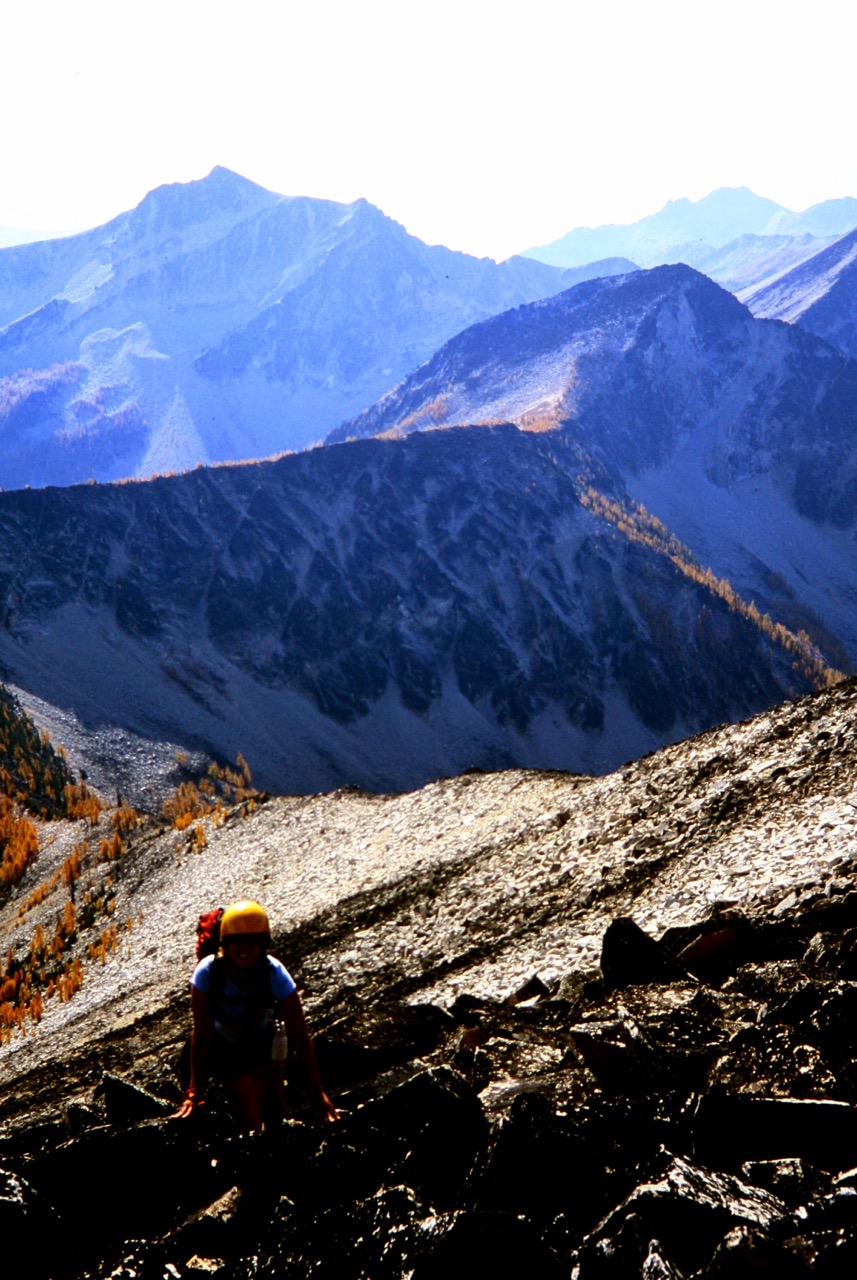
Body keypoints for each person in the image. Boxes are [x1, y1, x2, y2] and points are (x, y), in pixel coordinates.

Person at [173, 900, 337, 1129]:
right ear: (225, 944)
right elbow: (202, 1034)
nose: (244, 949)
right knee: (250, 1120)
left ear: (263, 944)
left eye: (252, 941)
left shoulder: (275, 973)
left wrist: (317, 1095)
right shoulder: (207, 973)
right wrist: (195, 1091)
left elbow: (300, 1037)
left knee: (275, 1116)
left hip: (262, 1039)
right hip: (224, 1046)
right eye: (236, 941)